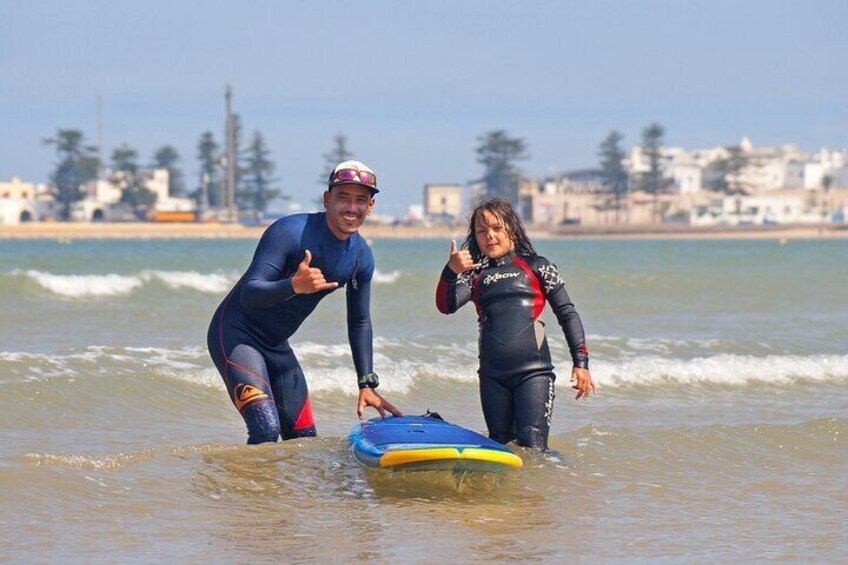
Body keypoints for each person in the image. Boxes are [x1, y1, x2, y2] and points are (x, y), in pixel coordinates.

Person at [208, 160, 402, 444]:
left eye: (361, 200)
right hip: (237, 334)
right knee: (265, 429)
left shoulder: (361, 257)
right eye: (343, 198)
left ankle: (281, 490)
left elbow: (359, 321)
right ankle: (246, 489)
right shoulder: (290, 231)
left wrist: (367, 383)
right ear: (327, 200)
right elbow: (249, 293)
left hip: (276, 345)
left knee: (304, 441)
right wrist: (294, 286)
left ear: (370, 206)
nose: (351, 208)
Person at [435, 198, 596, 451]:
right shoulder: (476, 275)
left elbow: (567, 313)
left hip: (534, 373)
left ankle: (553, 484)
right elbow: (447, 306)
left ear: (512, 228)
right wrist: (450, 271)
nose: (489, 236)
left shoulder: (538, 266)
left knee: (533, 446)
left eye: (497, 228)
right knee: (500, 445)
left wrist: (581, 363)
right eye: (481, 231)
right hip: (492, 377)